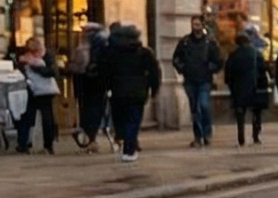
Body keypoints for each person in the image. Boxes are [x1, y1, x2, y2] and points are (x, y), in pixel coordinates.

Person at [97, 21, 159, 162]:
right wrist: (153, 89)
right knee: (133, 121)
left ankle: (124, 141)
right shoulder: (144, 53)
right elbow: (154, 73)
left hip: (118, 91)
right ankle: (129, 149)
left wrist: (106, 88)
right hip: (138, 92)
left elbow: (104, 72)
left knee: (121, 120)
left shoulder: (111, 53)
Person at [171, 17, 221, 148]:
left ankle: (207, 133)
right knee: (194, 109)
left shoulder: (209, 42)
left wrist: (210, 69)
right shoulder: (185, 42)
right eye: (194, 24)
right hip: (190, 80)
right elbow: (176, 58)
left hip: (204, 80)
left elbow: (219, 60)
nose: (196, 27)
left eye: (198, 24)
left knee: (203, 105)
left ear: (202, 25)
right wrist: (182, 69)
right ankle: (198, 136)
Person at [225, 28, 273, 145]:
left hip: (239, 88)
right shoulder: (256, 54)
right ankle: (256, 134)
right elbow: (263, 71)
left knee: (240, 114)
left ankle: (241, 136)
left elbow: (228, 73)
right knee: (256, 112)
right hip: (254, 87)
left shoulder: (233, 55)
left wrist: (231, 85)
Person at [13, 38, 59, 153]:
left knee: (28, 117)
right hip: (48, 90)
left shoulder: (27, 60)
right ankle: (48, 144)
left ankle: (24, 143)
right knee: (47, 117)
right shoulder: (45, 58)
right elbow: (53, 72)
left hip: (34, 91)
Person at [70, 22, 109, 151]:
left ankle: (88, 135)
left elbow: (75, 67)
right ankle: (91, 137)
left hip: (85, 83)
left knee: (87, 109)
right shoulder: (104, 45)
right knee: (96, 110)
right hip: (98, 83)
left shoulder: (82, 48)